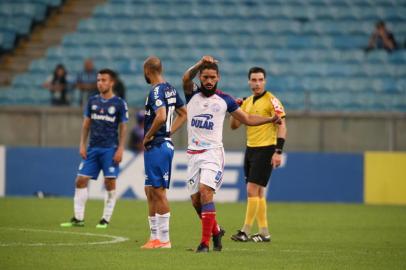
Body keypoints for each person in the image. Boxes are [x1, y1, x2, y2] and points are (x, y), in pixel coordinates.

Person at [182, 56, 281, 252]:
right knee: (196, 201)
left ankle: (204, 243)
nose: (208, 81)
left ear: (218, 77)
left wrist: (269, 119)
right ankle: (216, 231)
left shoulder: (225, 100)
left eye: (212, 77)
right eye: (205, 77)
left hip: (212, 153)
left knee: (205, 191)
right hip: (193, 154)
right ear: (200, 77)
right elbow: (185, 79)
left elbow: (247, 118)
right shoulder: (192, 94)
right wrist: (200, 64)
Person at [60, 68, 128, 229]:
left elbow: (123, 128)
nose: (100, 83)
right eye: (98, 80)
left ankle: (105, 219)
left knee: (110, 182)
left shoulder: (119, 103)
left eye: (104, 80)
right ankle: (78, 218)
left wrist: (121, 148)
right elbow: (86, 125)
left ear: (112, 82)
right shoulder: (92, 101)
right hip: (92, 148)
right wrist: (82, 144)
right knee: (80, 180)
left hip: (110, 149)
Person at [230, 67, 287, 243]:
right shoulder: (247, 102)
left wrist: (278, 151)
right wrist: (236, 108)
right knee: (259, 192)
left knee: (251, 190)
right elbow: (234, 126)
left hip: (266, 149)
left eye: (260, 80)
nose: (257, 83)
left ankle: (245, 231)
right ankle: (264, 232)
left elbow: (282, 125)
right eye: (254, 80)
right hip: (250, 149)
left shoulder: (272, 101)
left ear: (265, 81)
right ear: (249, 82)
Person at [141, 56, 187, 249]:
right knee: (150, 190)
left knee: (159, 192)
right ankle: (154, 238)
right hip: (161, 144)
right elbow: (183, 113)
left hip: (158, 146)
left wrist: (148, 136)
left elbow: (160, 116)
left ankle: (165, 240)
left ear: (147, 71)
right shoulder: (170, 89)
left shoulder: (156, 91)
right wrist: (169, 132)